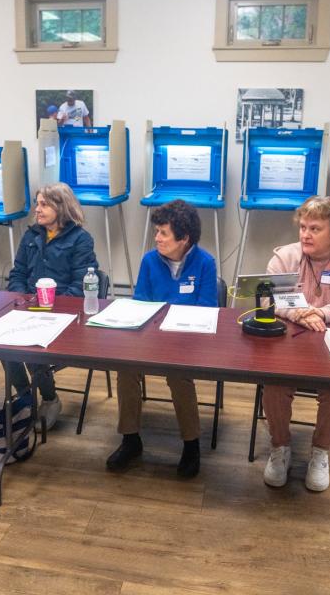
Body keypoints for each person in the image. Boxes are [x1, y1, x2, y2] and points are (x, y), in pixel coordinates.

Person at [261, 196, 330, 492]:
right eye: (302, 227)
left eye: (315, 228)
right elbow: (267, 298)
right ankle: (280, 448)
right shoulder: (284, 257)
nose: (305, 235)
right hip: (288, 343)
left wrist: (322, 312)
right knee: (274, 383)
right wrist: (297, 314)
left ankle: (320, 452)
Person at [106, 199, 217, 478]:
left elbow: (206, 310)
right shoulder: (149, 260)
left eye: (163, 233)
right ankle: (131, 439)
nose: (157, 238)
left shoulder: (205, 263)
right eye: (157, 231)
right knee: (125, 368)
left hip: (187, 341)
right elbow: (140, 303)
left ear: (184, 238)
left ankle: (191, 444)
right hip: (152, 337)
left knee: (179, 375)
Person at [4, 182, 98, 429]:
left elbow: (80, 286)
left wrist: (50, 309)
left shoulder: (81, 239)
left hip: (65, 315)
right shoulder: (31, 235)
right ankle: (25, 397)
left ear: (61, 206)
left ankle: (49, 399)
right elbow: (18, 274)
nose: (37, 209)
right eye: (37, 203)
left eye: (44, 204)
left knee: (32, 348)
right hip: (30, 309)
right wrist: (22, 299)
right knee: (0, 346)